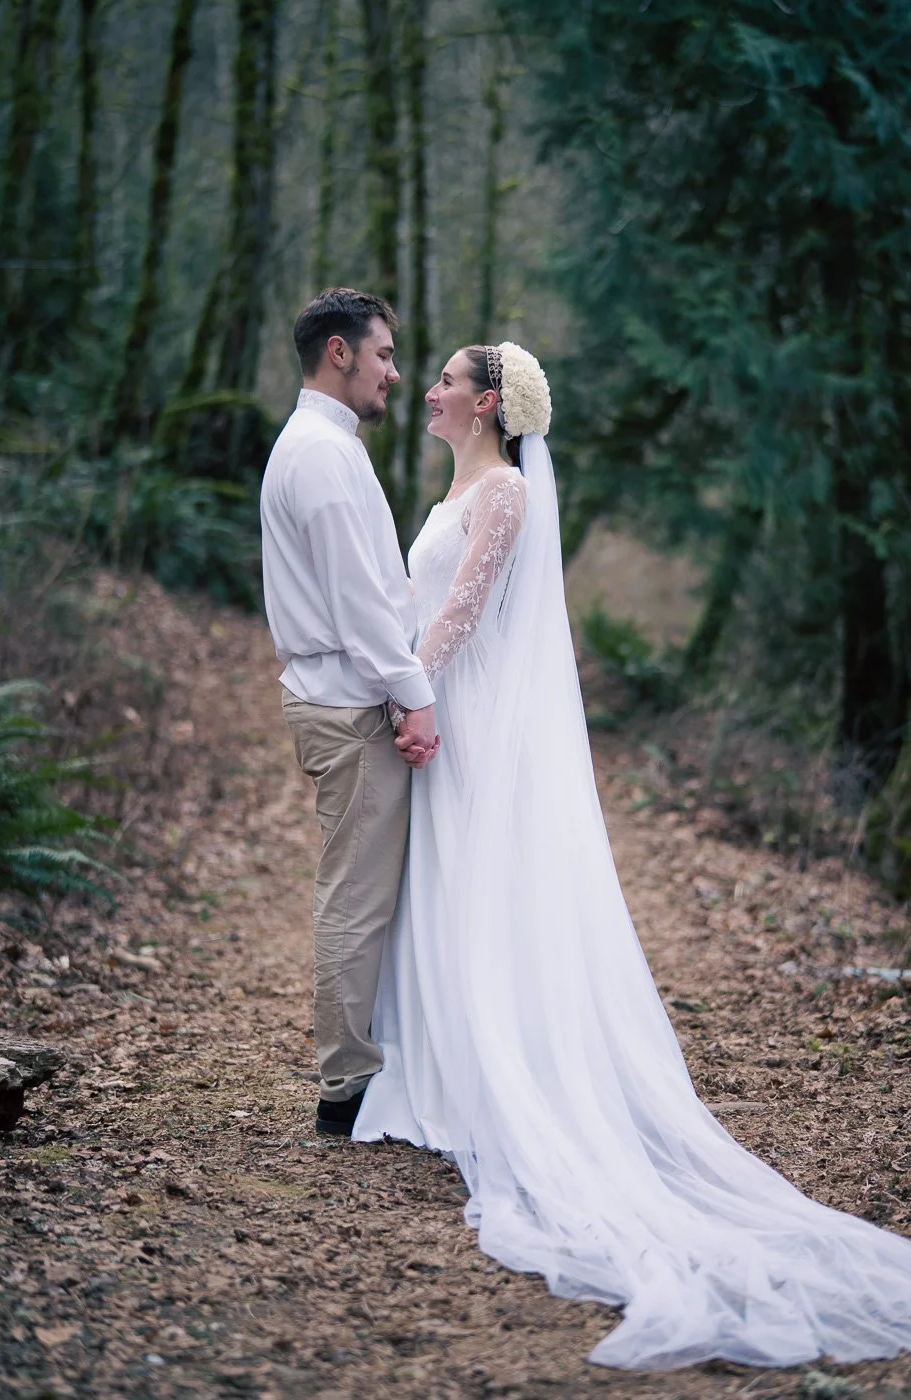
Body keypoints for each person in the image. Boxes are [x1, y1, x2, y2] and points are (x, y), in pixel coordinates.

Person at [353, 341, 911, 1369]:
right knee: (432, 895)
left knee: (478, 894)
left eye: (442, 381)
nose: (425, 391)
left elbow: (467, 612)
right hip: (436, 710)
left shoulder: (509, 492)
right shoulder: (458, 484)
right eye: (423, 378)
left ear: (483, 405)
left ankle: (486, 1079)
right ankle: (429, 1073)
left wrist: (409, 687)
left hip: (464, 719)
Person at [260, 288, 438, 1140]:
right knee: (355, 899)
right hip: (347, 705)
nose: (394, 375)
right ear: (339, 353)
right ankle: (347, 1089)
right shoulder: (321, 458)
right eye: (382, 356)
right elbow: (361, 605)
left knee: (362, 893)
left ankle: (361, 1069)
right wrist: (414, 694)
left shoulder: (324, 447)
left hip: (341, 696)